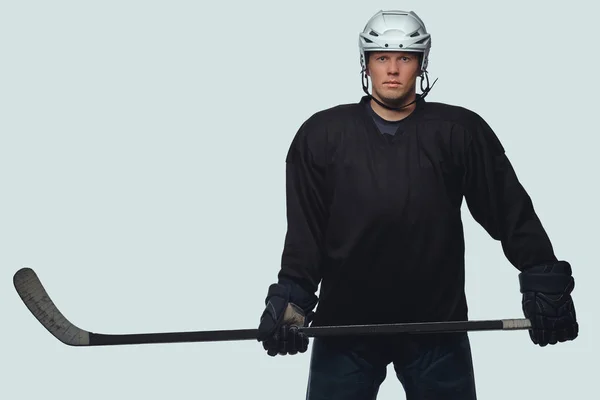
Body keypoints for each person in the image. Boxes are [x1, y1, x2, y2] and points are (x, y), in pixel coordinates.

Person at [256, 9, 578, 400]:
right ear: (366, 63)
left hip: (436, 329)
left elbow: (510, 213)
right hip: (345, 329)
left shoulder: (460, 132)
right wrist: (291, 300)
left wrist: (545, 281)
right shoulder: (320, 137)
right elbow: (306, 233)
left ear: (421, 63)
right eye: (382, 57)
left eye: (405, 58)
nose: (392, 69)